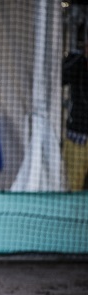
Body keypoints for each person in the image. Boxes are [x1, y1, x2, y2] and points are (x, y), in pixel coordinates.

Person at [62, 36, 88, 191]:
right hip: (77, 136)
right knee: (74, 186)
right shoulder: (77, 63)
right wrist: (78, 58)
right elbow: (60, 78)